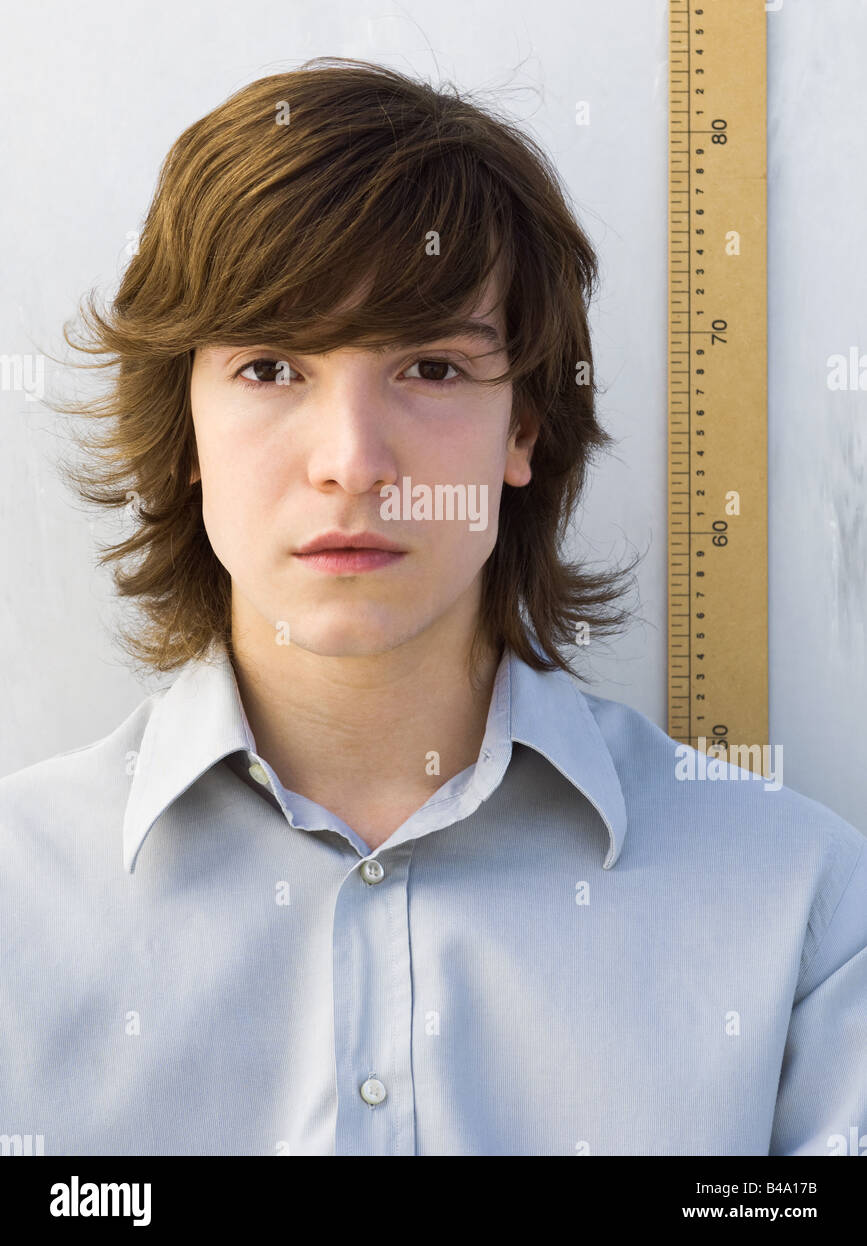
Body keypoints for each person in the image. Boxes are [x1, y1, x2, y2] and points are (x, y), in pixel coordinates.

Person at [2, 58, 865, 1157]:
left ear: (524, 431)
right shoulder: (17, 900)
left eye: (434, 368)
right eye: (271, 367)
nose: (354, 463)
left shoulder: (803, 909)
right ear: (185, 435)